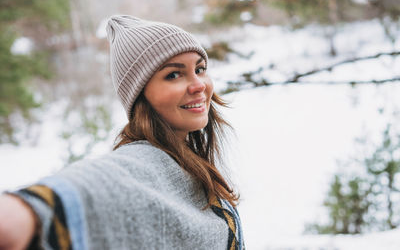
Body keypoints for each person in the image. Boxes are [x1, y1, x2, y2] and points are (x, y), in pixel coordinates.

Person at [0, 15, 244, 250]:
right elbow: (103, 183)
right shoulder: (145, 161)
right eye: (173, 74)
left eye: (199, 69)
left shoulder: (186, 159)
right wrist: (28, 211)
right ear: (140, 95)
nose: (199, 85)